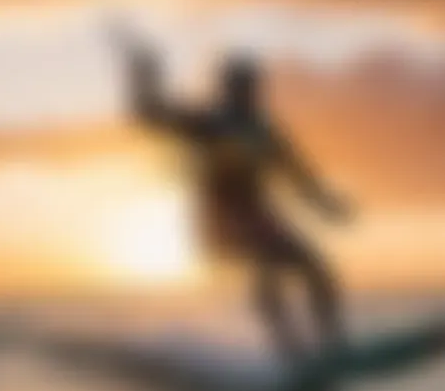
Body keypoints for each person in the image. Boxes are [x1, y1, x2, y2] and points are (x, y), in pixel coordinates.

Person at [109, 27, 357, 361]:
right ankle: (292, 353)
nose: (244, 93)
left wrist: (330, 206)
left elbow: (300, 178)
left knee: (315, 268)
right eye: (237, 86)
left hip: (260, 220)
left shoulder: (265, 133)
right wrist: (143, 71)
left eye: (249, 86)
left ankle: (333, 346)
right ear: (227, 89)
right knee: (268, 261)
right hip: (220, 224)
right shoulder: (209, 124)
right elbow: (148, 114)